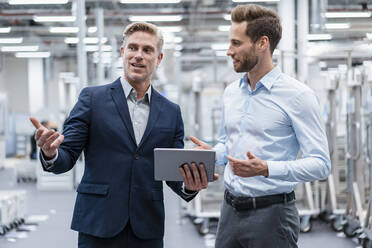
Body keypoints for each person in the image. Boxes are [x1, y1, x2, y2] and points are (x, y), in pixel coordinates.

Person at [30, 22, 216, 248]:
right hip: (98, 223)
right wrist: (50, 153)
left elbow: (172, 174)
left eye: (147, 50)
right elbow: (66, 156)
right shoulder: (92, 99)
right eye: (132, 48)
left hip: (147, 227)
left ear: (158, 59)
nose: (138, 55)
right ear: (122, 52)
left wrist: (191, 184)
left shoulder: (171, 112)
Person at [190, 4, 331, 248]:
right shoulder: (231, 93)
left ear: (262, 43)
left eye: (236, 43)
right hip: (229, 213)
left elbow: (321, 164)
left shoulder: (298, 96)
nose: (228, 51)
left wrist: (267, 168)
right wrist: (213, 154)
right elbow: (228, 145)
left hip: (273, 216)